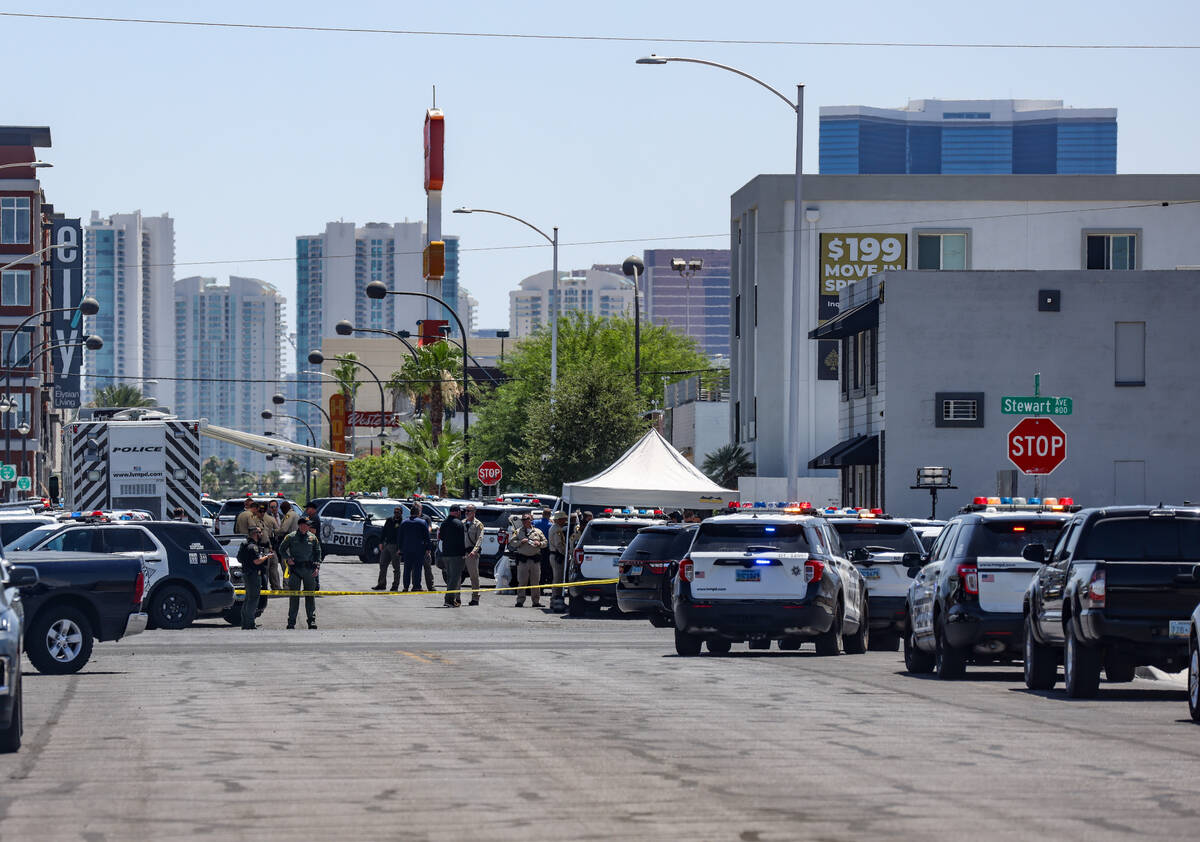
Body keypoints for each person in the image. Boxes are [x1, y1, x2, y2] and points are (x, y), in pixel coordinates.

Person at [279, 516, 322, 630]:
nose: (308, 526)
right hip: (296, 571)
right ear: (301, 525)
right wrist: (287, 559)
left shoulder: (313, 538)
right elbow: (281, 549)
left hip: (309, 570)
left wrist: (317, 567)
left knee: (310, 597)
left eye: (309, 525)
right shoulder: (291, 537)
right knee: (294, 597)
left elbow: (318, 553)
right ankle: (291, 622)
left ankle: (311, 621)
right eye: (306, 524)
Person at [238, 525, 273, 630]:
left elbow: (240, 559)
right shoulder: (253, 547)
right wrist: (267, 557)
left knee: (248, 599)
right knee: (253, 599)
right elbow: (256, 561)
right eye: (259, 532)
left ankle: (245, 623)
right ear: (255, 534)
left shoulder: (245, 545)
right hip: (253, 575)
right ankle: (249, 623)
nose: (261, 534)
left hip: (247, 574)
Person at [509, 512, 547, 607]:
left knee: (535, 582)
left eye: (527, 519)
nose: (525, 521)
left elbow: (545, 542)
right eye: (523, 520)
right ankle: (520, 601)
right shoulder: (518, 531)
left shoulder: (537, 531)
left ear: (531, 520)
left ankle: (536, 601)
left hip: (535, 560)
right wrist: (520, 542)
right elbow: (512, 542)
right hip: (523, 560)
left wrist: (539, 544)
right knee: (522, 581)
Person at [438, 504, 468, 607]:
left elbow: (441, 537)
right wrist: (463, 554)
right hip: (456, 555)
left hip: (446, 554)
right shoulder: (458, 524)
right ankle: (449, 600)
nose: (460, 513)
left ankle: (451, 599)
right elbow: (461, 541)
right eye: (460, 511)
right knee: (454, 579)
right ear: (457, 512)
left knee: (450, 577)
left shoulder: (444, 523)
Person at [399, 504, 430, 592]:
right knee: (417, 568)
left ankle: (405, 587)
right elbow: (426, 536)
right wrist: (428, 548)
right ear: (418, 513)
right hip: (419, 549)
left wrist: (399, 548)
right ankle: (416, 586)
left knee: (407, 568)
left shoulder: (404, 522)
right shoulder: (422, 522)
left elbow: (400, 536)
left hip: (407, 549)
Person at [374, 506, 403, 591]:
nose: (396, 513)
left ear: (401, 513)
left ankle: (395, 586)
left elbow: (402, 536)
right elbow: (384, 531)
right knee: (382, 564)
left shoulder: (403, 522)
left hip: (396, 547)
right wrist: (381, 542)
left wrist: (400, 548)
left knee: (396, 567)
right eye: (395, 512)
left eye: (398, 512)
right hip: (387, 545)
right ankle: (381, 584)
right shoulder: (389, 520)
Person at [462, 504, 484, 605]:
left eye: (469, 511)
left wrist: (474, 551)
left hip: (472, 553)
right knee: (458, 576)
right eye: (466, 510)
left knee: (474, 576)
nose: (466, 512)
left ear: (474, 512)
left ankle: (475, 598)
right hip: (462, 552)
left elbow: (479, 539)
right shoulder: (462, 523)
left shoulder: (478, 524)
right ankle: (457, 598)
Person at [548, 510, 569, 600]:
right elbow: (559, 544)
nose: (565, 521)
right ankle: (556, 597)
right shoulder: (557, 529)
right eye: (563, 519)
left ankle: (555, 597)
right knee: (558, 578)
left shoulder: (554, 527)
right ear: (559, 520)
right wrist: (565, 554)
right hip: (557, 555)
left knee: (557, 577)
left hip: (555, 555)